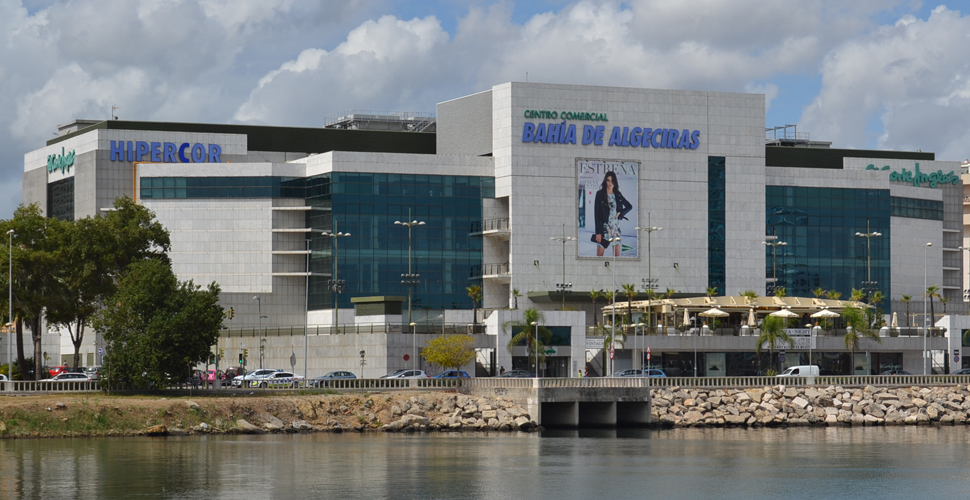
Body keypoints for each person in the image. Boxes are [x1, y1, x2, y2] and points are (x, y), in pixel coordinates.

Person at [591, 171, 632, 257]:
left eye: (612, 180)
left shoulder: (618, 194)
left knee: (617, 258)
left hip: (616, 229)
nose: (610, 183)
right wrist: (598, 232)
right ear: (605, 181)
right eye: (608, 180)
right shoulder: (600, 194)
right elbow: (596, 215)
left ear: (615, 182)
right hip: (604, 230)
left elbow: (629, 206)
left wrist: (621, 213)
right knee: (599, 257)